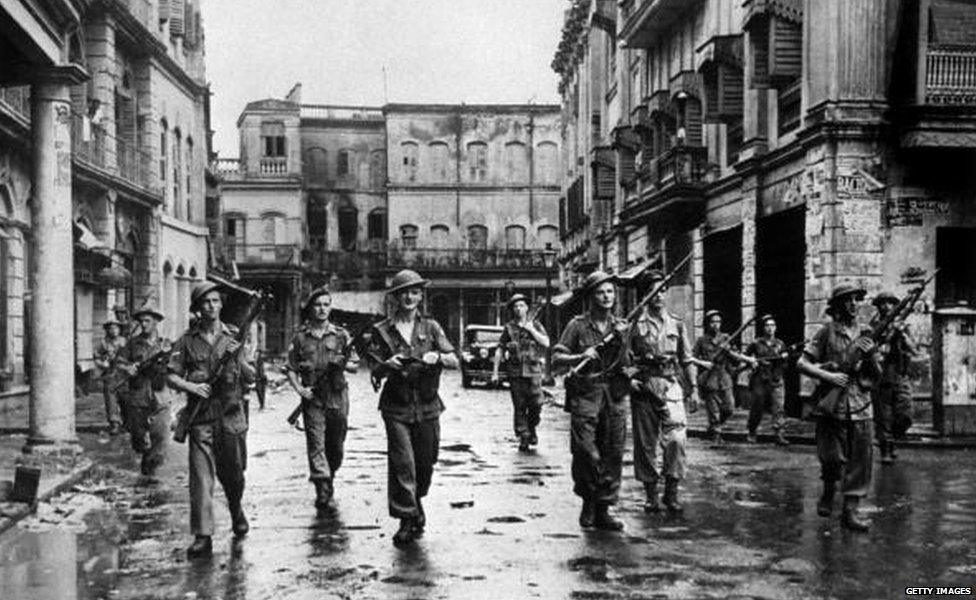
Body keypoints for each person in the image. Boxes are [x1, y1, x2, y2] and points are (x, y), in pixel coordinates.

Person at [364, 269, 458, 547]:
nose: (409, 296)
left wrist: (438, 356)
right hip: (396, 406)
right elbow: (372, 368)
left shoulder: (432, 327)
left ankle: (416, 500)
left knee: (425, 463)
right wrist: (385, 365)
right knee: (402, 462)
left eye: (414, 292)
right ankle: (406, 518)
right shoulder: (381, 331)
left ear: (420, 296)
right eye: (403, 292)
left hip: (428, 405)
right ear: (395, 297)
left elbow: (454, 359)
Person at [167, 281, 256, 558]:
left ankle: (235, 508)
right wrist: (191, 387)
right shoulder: (186, 341)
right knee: (201, 478)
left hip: (230, 414)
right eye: (206, 302)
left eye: (216, 301)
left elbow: (251, 375)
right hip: (201, 417)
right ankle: (203, 535)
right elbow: (170, 374)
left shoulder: (234, 336)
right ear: (197, 309)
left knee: (234, 474)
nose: (212, 306)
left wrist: (239, 359)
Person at [797, 284, 880, 532]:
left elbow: (877, 375)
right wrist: (828, 377)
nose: (854, 304)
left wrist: (872, 355)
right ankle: (828, 489)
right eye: (848, 300)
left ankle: (850, 511)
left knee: (860, 462)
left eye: (857, 300)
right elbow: (802, 363)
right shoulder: (826, 332)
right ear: (837, 305)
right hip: (832, 406)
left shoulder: (866, 333)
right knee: (832, 458)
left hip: (861, 405)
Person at [552, 271, 629, 532]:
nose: (606, 297)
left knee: (613, 452)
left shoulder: (621, 326)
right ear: (590, 297)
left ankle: (603, 508)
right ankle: (588, 498)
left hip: (614, 394)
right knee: (586, 451)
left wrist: (623, 339)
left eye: (610, 292)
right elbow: (557, 358)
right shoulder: (577, 325)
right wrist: (579, 356)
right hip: (586, 393)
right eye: (600, 292)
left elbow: (629, 364)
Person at [626, 271, 701, 514]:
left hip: (671, 386)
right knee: (646, 444)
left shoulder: (676, 322)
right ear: (644, 296)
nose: (658, 297)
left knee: (677, 440)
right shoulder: (634, 325)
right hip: (645, 387)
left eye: (661, 291)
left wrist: (695, 389)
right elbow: (622, 361)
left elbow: (687, 358)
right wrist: (630, 381)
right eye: (652, 292)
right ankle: (651, 495)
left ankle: (672, 492)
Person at [286, 285, 360, 511]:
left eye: (326, 305)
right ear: (310, 308)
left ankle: (330, 474)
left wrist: (344, 364)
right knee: (315, 442)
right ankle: (322, 485)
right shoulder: (300, 338)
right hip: (313, 399)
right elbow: (290, 368)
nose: (322, 309)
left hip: (337, 396)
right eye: (317, 305)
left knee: (335, 445)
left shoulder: (340, 335)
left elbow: (356, 365)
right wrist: (300, 389)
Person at [116, 301, 171, 479]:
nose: (143, 324)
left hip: (160, 393)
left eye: (147, 321)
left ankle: (150, 470)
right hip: (138, 394)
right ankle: (145, 453)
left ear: (156, 322)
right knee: (138, 437)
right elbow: (118, 362)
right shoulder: (133, 344)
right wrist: (128, 368)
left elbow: (177, 366)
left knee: (161, 435)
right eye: (141, 322)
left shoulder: (166, 344)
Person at [491, 293, 549, 452]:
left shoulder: (535, 324)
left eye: (522, 305)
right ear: (512, 309)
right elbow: (499, 349)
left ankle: (531, 426)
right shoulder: (509, 328)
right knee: (519, 406)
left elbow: (546, 342)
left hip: (533, 371)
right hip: (515, 373)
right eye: (515, 306)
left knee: (537, 404)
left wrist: (532, 330)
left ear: (527, 308)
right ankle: (524, 435)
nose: (518, 309)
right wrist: (495, 372)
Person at [693, 310, 757, 443]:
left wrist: (748, 360)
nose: (716, 325)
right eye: (713, 322)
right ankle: (716, 434)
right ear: (707, 324)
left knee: (729, 408)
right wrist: (703, 363)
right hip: (709, 377)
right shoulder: (701, 340)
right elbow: (691, 358)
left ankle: (714, 426)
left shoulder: (726, 338)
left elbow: (735, 355)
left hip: (724, 377)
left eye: (718, 322)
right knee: (713, 409)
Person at [870, 291, 916, 464]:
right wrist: (880, 348)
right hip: (882, 373)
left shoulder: (902, 323)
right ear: (878, 306)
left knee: (906, 414)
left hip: (900, 373)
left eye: (890, 303)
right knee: (884, 416)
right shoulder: (874, 326)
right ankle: (886, 449)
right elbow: (868, 347)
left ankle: (894, 439)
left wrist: (902, 333)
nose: (886, 306)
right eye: (882, 303)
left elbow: (914, 348)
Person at [745, 314, 790, 446]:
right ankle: (752, 431)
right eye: (767, 326)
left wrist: (783, 358)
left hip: (776, 379)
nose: (770, 328)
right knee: (757, 407)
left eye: (772, 326)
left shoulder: (780, 344)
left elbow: (786, 364)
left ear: (775, 328)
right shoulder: (756, 343)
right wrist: (752, 362)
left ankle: (779, 434)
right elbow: (746, 357)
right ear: (763, 328)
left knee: (779, 407)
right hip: (760, 379)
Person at [94, 319, 127, 435]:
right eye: (111, 328)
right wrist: (103, 364)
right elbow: (96, 357)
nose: (114, 330)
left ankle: (127, 422)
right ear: (107, 330)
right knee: (111, 399)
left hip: (124, 374)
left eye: (116, 328)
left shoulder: (125, 342)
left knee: (125, 398)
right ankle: (114, 423)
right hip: (110, 373)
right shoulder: (103, 343)